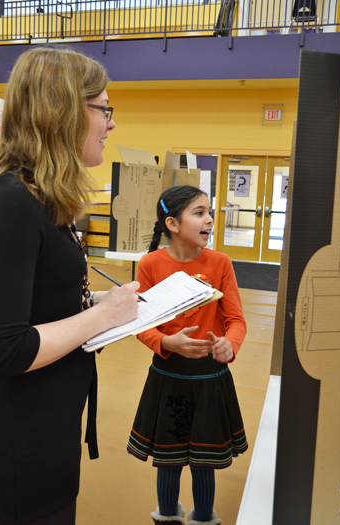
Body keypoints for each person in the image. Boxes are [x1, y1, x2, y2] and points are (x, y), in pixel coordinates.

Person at [0, 46, 140, 525]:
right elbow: (7, 347)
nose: (111, 123)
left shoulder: (39, 201)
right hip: (20, 450)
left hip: (49, 432)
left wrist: (104, 301)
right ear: (64, 113)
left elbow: (40, 302)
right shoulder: (13, 203)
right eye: (104, 109)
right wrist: (102, 316)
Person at [127, 185, 248, 525]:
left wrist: (229, 345)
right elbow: (141, 324)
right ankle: (166, 517)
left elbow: (236, 320)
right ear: (173, 224)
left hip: (210, 378)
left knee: (203, 460)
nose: (209, 219)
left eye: (209, 212)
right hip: (168, 378)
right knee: (168, 458)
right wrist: (167, 344)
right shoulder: (150, 264)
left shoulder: (220, 263)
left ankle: (204, 518)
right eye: (199, 213)